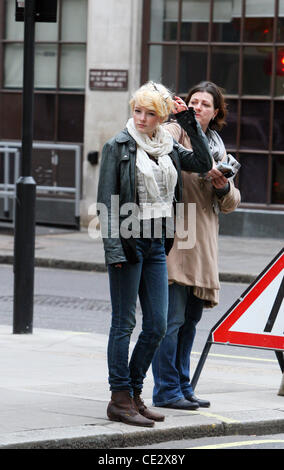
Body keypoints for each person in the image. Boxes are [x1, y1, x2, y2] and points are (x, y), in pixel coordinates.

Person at [97, 81, 213, 427]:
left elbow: (203, 161)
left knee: (158, 325)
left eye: (151, 113)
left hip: (158, 243)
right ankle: (120, 398)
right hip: (129, 242)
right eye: (138, 111)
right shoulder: (117, 146)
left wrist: (189, 121)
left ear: (162, 117)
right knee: (124, 323)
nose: (143, 118)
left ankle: (133, 393)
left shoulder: (169, 146)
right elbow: (107, 203)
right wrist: (114, 249)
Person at [152, 81, 241, 410]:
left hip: (203, 241)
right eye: (194, 102)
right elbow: (163, 150)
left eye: (205, 104)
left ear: (216, 111)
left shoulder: (217, 146)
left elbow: (233, 202)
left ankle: (183, 385)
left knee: (189, 321)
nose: (198, 107)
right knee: (171, 321)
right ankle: (165, 390)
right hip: (177, 237)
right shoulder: (175, 132)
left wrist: (222, 187)